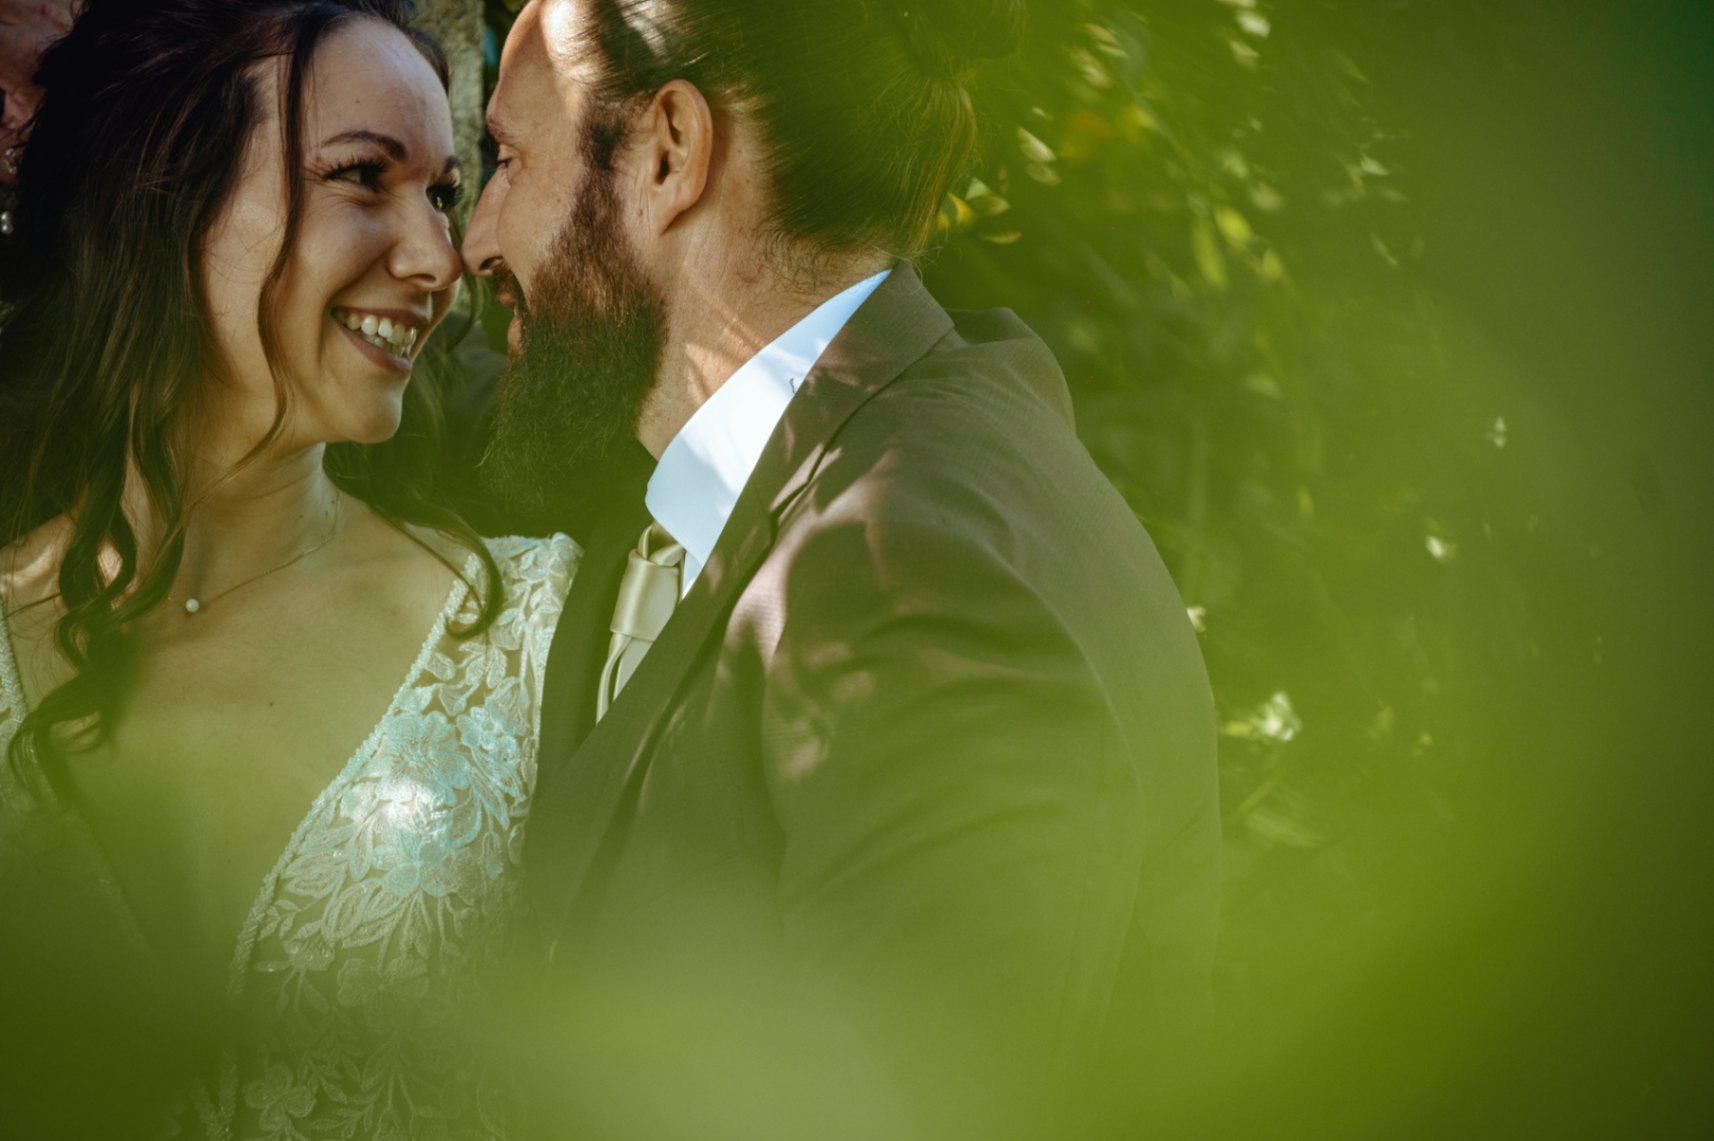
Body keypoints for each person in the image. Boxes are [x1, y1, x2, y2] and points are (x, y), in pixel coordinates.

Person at [464, 0, 1222, 1134]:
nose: (472, 239)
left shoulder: (914, 570)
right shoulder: (805, 462)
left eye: (505, 160)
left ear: (668, 153)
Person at [0, 1, 574, 1136]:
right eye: (364, 176)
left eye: (445, 192)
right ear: (160, 196)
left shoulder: (533, 638)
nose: (438, 258)